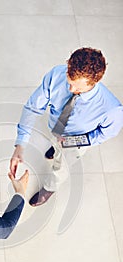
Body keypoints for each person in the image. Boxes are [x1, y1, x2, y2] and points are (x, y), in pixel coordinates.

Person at [10, 47, 123, 207]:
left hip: (75, 144)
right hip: (55, 128)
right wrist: (20, 145)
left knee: (60, 167)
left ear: (94, 82)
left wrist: (74, 141)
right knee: (54, 144)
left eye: (77, 88)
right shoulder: (56, 74)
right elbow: (33, 108)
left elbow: (105, 133)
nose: (70, 89)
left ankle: (49, 188)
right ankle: (55, 149)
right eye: (69, 82)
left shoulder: (112, 109)